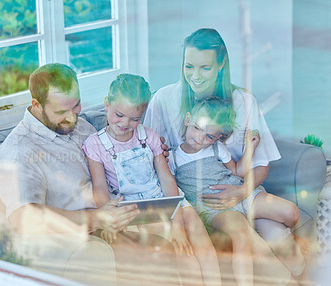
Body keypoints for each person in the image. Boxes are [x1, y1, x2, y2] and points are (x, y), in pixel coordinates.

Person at [0, 64, 180, 285]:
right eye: (62, 112)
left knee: (166, 249)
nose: (72, 118)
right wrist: (96, 218)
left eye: (76, 106)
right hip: (73, 237)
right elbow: (22, 218)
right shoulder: (18, 152)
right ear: (36, 105)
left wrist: (152, 150)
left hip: (113, 218)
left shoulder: (79, 126)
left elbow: (115, 142)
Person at [143, 28, 306, 278]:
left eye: (205, 68)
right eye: (189, 66)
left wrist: (242, 191)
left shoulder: (243, 101)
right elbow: (150, 160)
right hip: (205, 201)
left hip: (242, 190)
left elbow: (261, 165)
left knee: (291, 250)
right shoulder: (164, 100)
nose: (195, 76)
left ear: (221, 64)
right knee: (261, 250)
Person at [82, 73, 221, 286]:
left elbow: (166, 179)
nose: (125, 123)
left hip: (170, 200)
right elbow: (100, 186)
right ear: (106, 104)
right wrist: (107, 217)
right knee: (185, 255)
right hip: (140, 209)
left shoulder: (150, 136)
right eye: (119, 114)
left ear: (143, 114)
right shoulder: (95, 144)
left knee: (202, 243)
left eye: (135, 118)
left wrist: (176, 221)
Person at [169, 97, 306, 286]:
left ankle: (286, 241)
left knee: (291, 211)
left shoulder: (218, 149)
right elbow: (169, 189)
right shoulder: (173, 157)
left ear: (218, 137)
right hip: (216, 207)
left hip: (240, 191)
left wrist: (251, 147)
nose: (200, 138)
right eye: (197, 128)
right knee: (241, 233)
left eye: (209, 136)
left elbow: (238, 172)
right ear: (187, 119)